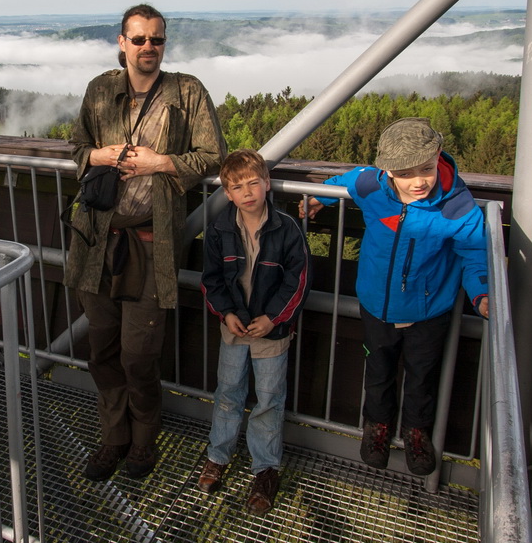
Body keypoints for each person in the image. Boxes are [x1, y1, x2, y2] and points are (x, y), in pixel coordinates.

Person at [65, 3, 226, 481]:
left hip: (152, 242)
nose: (149, 47)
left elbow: (213, 155)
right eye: (139, 39)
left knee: (139, 354)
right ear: (122, 42)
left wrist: (161, 163)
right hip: (96, 240)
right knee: (102, 349)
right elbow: (77, 148)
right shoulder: (101, 90)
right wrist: (100, 155)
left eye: (157, 39)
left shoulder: (187, 91)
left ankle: (143, 440)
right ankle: (113, 437)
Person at [300, 117, 490, 476]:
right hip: (377, 307)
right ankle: (377, 427)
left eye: (426, 169)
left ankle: (417, 433)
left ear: (438, 156)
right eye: (405, 174)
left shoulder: (457, 205)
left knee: (422, 376)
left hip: (428, 312)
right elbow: (346, 181)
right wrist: (319, 199)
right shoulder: (372, 185)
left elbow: (475, 252)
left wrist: (482, 293)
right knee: (378, 371)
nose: (418, 181)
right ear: (387, 171)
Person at [198, 149, 310, 515]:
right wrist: (227, 314)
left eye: (253, 183)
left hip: (272, 333)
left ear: (267, 184)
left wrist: (273, 319)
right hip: (234, 329)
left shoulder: (287, 228)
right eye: (237, 187)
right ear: (227, 194)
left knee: (269, 399)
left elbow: (298, 281)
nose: (247, 193)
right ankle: (218, 455)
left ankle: (265, 470)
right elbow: (212, 280)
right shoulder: (219, 230)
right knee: (228, 392)